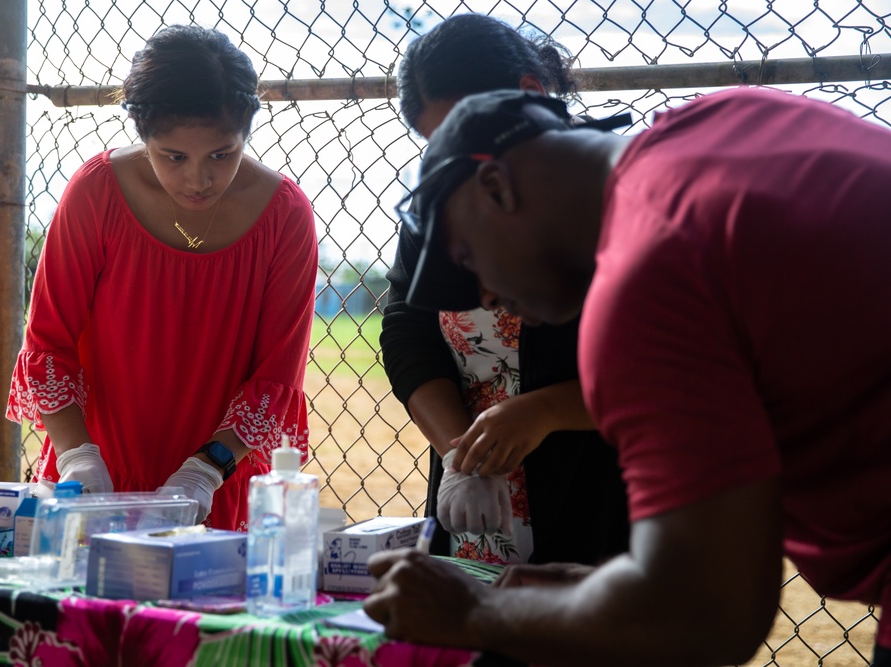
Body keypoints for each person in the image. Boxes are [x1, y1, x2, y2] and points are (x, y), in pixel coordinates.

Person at [364, 87, 891, 666]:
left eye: (467, 259)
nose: (486, 297)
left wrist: (472, 613)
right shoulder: (728, 113)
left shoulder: (647, 279)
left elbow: (707, 614)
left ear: (498, 188)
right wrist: (583, 593)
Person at [7, 25, 317, 530]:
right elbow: (48, 344)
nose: (199, 180)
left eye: (222, 154)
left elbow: (276, 378)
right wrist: (78, 458)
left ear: (247, 132)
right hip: (92, 482)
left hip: (212, 486)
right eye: (174, 157)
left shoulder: (285, 216)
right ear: (142, 134)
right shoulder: (96, 192)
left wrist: (204, 471)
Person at [382, 13, 629, 565]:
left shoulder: (618, 204)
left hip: (598, 503)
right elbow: (408, 326)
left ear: (530, 97)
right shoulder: (449, 202)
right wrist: (460, 455)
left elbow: (665, 372)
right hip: (475, 504)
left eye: (461, 137)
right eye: (432, 147)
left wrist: (540, 413)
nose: (445, 169)